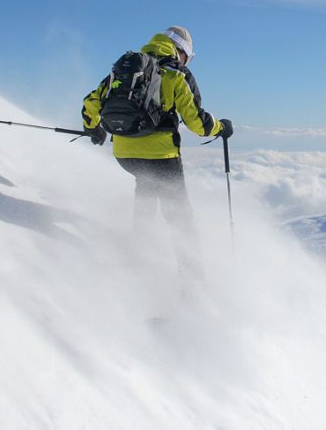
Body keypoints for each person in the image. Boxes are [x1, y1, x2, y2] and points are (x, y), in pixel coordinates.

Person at [81, 26, 233, 285]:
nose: (187, 61)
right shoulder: (175, 75)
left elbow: (90, 104)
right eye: (189, 56)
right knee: (180, 219)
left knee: (146, 188)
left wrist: (94, 129)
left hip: (125, 155)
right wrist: (221, 127)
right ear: (181, 51)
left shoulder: (124, 69)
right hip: (162, 157)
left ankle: (137, 258)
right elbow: (197, 123)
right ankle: (193, 285)